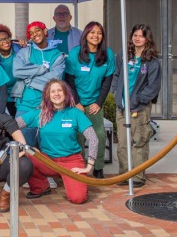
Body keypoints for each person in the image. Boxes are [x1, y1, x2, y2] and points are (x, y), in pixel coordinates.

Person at [17, 79, 98, 204]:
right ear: (47, 95)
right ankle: (41, 187)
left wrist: (89, 166)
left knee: (78, 199)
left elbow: (93, 138)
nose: (56, 94)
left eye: (60, 90)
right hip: (47, 160)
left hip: (71, 162)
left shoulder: (75, 113)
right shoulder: (40, 113)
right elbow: (13, 124)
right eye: (52, 91)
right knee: (26, 155)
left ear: (65, 93)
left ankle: (71, 181)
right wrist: (23, 146)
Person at [12, 21, 65, 190]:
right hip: (25, 104)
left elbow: (55, 81)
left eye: (37, 30)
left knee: (45, 141)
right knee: (24, 142)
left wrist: (30, 79)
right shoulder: (24, 52)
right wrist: (42, 70)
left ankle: (47, 174)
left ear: (44, 31)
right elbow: (17, 72)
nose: (34, 34)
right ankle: (30, 176)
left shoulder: (57, 55)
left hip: (48, 105)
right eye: (31, 33)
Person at [111, 24, 161, 188]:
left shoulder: (152, 62)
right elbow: (116, 75)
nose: (137, 38)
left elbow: (152, 87)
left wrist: (137, 100)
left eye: (141, 35)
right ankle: (125, 175)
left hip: (140, 109)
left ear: (147, 39)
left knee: (139, 142)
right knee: (123, 144)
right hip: (122, 108)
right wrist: (117, 93)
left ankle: (137, 176)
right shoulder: (123, 55)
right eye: (135, 35)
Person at [65, 21, 115, 179]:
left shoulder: (108, 53)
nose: (96, 36)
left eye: (99, 33)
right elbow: (69, 80)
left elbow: (108, 80)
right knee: (78, 135)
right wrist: (77, 102)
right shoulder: (75, 53)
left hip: (95, 103)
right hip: (76, 103)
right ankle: (80, 166)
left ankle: (98, 167)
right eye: (92, 32)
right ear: (85, 34)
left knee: (99, 135)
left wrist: (99, 103)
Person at [0, 24, 24, 117]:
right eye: (1, 40)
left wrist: (25, 47)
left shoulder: (19, 50)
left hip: (21, 95)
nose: (6, 41)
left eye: (7, 38)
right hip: (3, 97)